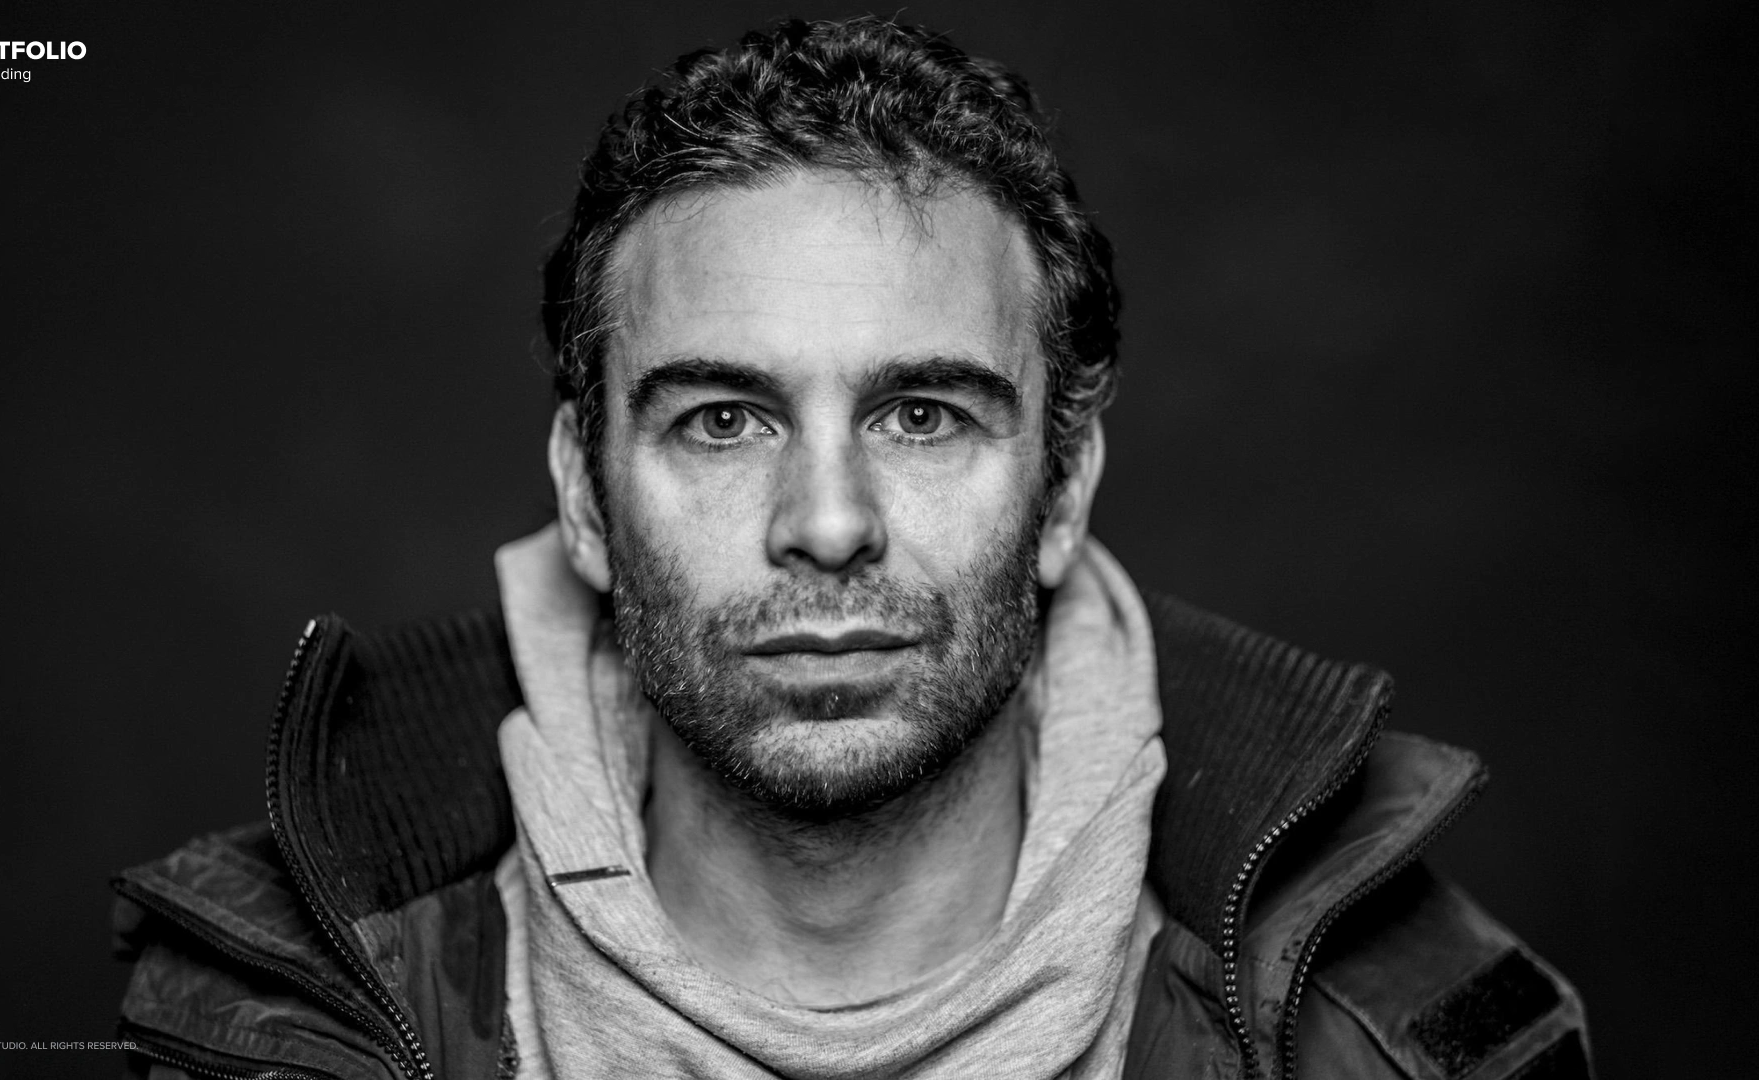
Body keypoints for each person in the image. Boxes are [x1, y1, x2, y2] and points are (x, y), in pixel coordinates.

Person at [112, 16, 1590, 1079]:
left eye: (923, 417)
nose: (827, 523)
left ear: (1065, 487)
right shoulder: (271, 1016)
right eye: (723, 422)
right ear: (584, 497)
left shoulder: (1400, 1034)